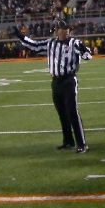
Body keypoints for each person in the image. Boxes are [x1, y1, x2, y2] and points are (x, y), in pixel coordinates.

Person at [17, 20, 93, 152]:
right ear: (57, 30)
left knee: (72, 112)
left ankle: (82, 143)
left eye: (67, 28)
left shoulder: (74, 42)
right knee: (62, 113)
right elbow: (34, 46)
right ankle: (68, 141)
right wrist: (21, 36)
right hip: (56, 81)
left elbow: (87, 55)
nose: (66, 31)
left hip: (69, 80)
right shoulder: (50, 43)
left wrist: (84, 52)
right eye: (63, 29)